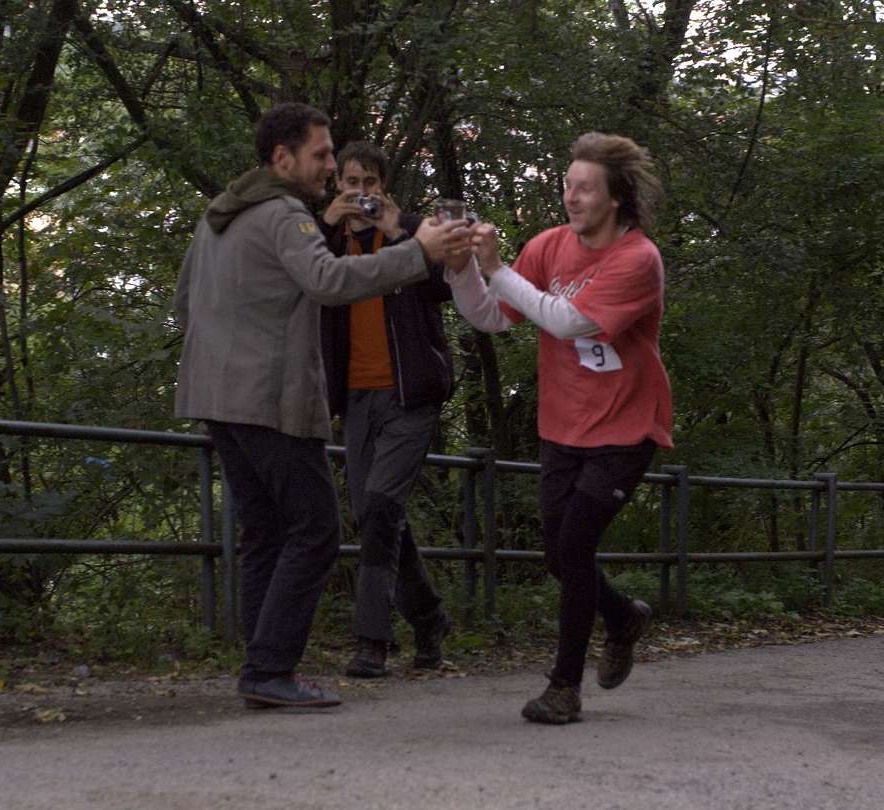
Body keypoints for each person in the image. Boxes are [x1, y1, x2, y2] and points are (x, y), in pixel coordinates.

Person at [173, 103, 469, 709]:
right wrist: (418, 251)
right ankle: (270, 669)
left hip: (215, 395)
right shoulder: (284, 213)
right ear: (283, 158)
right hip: (268, 398)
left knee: (264, 532)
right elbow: (329, 282)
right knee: (315, 529)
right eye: (322, 154)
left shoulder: (219, 214)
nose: (332, 166)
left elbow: (184, 301)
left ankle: (262, 668)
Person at [448, 132, 672, 724]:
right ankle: (622, 617)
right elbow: (493, 316)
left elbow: (568, 321)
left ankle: (563, 689)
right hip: (563, 426)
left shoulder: (638, 259)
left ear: (616, 197)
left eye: (585, 189)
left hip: (626, 427)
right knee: (558, 556)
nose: (571, 197)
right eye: (567, 185)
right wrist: (462, 270)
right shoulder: (548, 246)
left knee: (574, 547)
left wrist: (497, 268)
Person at [318, 141, 454, 678]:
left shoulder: (416, 230)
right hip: (355, 398)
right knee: (376, 514)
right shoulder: (323, 243)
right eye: (351, 182)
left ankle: (371, 641)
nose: (360, 193)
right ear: (337, 186)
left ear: (384, 187)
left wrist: (400, 235)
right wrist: (327, 227)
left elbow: (446, 288)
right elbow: (298, 291)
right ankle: (429, 617)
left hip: (409, 395)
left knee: (379, 509)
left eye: (369, 183)